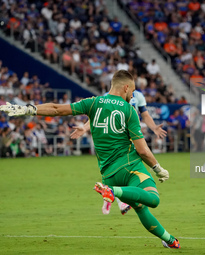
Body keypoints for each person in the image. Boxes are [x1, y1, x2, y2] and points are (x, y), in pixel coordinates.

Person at [0, 70, 180, 249]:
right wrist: (157, 168)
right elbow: (143, 151)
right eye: (132, 91)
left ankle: (170, 240)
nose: (132, 95)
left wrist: (27, 109)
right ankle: (113, 192)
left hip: (108, 173)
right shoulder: (129, 110)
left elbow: (56, 109)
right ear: (126, 87)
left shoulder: (93, 103)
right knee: (153, 200)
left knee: (140, 207)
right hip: (130, 167)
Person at [71, 88, 167, 215]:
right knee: (120, 165)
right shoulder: (107, 96)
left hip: (131, 134)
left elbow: (145, 114)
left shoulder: (138, 96)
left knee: (127, 168)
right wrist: (85, 127)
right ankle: (115, 196)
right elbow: (98, 115)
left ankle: (113, 195)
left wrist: (154, 127)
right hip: (116, 137)